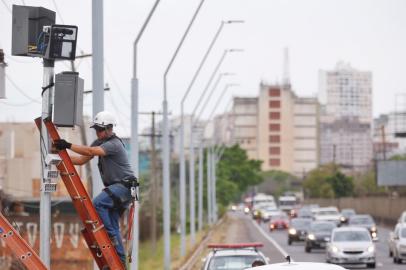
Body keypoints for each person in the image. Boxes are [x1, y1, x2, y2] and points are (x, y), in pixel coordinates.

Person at [53, 111, 137, 267]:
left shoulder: (114, 144)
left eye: (99, 129)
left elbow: (91, 152)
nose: (97, 132)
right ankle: (119, 263)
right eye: (96, 129)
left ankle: (109, 238)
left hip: (125, 187)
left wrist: (68, 145)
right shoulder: (98, 143)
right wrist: (60, 157)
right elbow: (80, 160)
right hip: (118, 189)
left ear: (109, 128)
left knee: (98, 204)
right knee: (112, 224)